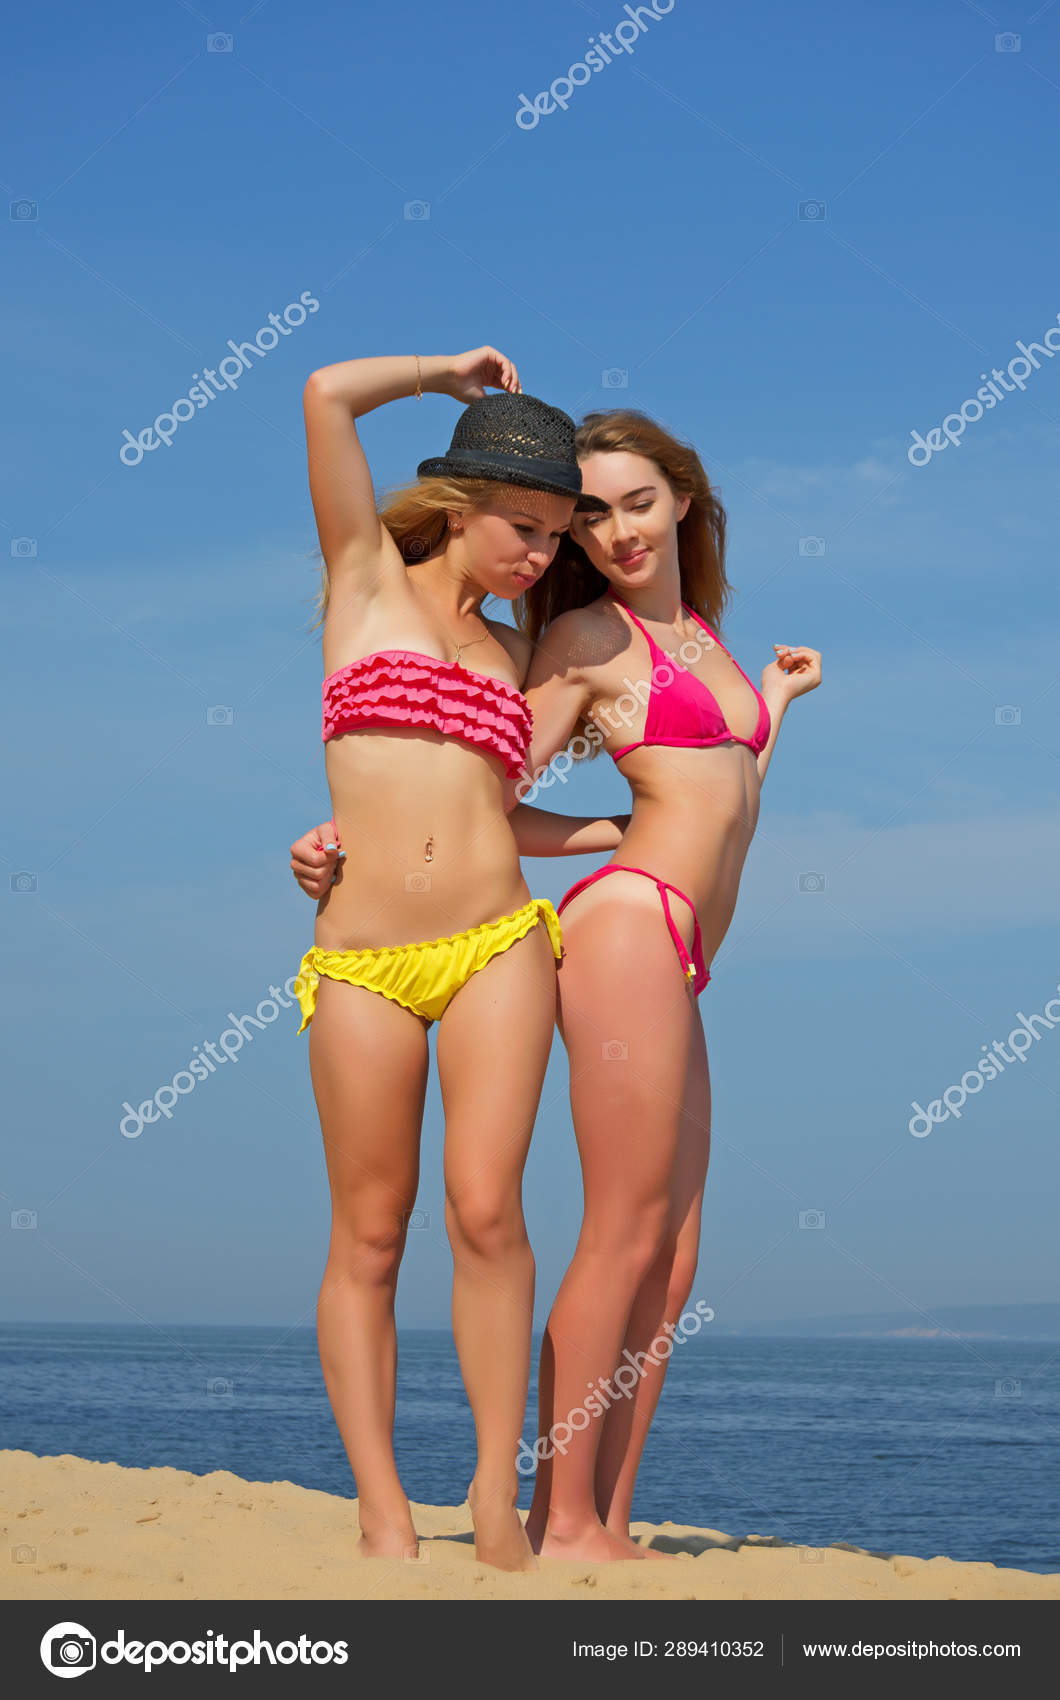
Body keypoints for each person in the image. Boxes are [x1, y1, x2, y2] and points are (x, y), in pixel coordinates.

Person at [291, 402, 821, 1564]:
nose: (614, 531)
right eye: (592, 519)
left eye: (638, 503)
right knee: (620, 1231)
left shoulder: (706, 645)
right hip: (630, 923)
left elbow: (717, 787)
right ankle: (561, 1514)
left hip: (686, 943)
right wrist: (356, 833)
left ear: (686, 498)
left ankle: (604, 1515)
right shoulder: (582, 638)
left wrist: (772, 705)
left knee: (673, 1256)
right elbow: (479, 783)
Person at [295, 344, 624, 1571]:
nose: (539, 555)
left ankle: (495, 1489)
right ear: (460, 504)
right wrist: (445, 373)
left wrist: (633, 832)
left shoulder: (512, 658)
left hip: (496, 941)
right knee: (369, 1231)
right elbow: (325, 392)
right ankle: (384, 1508)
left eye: (555, 539)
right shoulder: (361, 580)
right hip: (362, 959)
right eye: (525, 527)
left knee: (487, 1209)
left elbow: (498, 816)